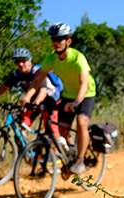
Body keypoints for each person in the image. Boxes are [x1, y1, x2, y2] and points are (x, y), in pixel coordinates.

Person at [24, 23, 96, 174]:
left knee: (82, 122)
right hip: (67, 95)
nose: (56, 42)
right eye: (54, 39)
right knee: (61, 131)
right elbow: (37, 80)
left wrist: (76, 102)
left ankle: (81, 161)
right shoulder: (51, 59)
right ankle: (71, 154)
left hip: (86, 94)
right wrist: (28, 96)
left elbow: (84, 83)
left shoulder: (78, 58)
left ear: (68, 41)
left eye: (60, 39)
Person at [0, 47, 62, 138]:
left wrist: (36, 103)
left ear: (30, 60)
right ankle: (25, 150)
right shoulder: (18, 74)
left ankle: (58, 149)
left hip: (51, 100)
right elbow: (4, 87)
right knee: (22, 127)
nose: (20, 64)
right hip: (33, 102)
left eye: (23, 60)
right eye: (17, 61)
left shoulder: (38, 71)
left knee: (51, 130)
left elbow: (43, 90)